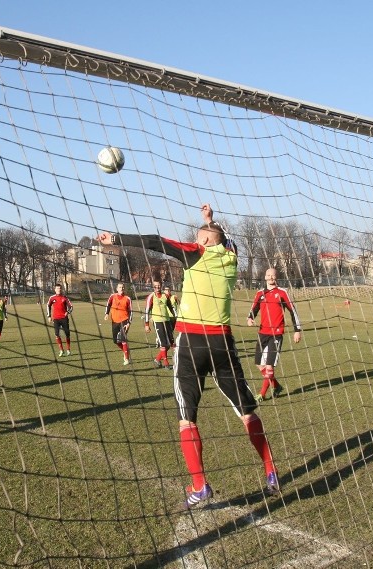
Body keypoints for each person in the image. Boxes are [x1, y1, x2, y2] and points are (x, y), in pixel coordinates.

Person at [98, 204, 280, 509]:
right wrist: (210, 222)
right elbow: (227, 239)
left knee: (186, 417)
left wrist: (114, 239)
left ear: (206, 242)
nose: (195, 238)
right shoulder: (232, 258)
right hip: (224, 342)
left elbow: (157, 241)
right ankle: (271, 471)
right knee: (247, 411)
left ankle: (199, 486)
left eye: (199, 235)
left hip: (192, 342)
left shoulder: (196, 253)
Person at [247, 267, 302, 401]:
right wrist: (250, 317)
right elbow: (254, 308)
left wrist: (297, 330)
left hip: (276, 334)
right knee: (259, 364)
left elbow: (292, 311)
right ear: (265, 277)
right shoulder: (260, 293)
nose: (271, 277)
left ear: (276, 277)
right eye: (268, 275)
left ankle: (262, 394)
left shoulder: (282, 292)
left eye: (273, 275)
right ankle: (276, 386)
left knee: (270, 365)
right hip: (262, 332)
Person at [144, 281, 176, 369]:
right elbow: (147, 311)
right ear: (153, 287)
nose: (157, 287)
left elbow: (171, 307)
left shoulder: (165, 296)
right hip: (157, 322)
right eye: (155, 286)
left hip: (167, 321)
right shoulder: (151, 297)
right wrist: (146, 324)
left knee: (170, 343)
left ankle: (157, 359)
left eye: (159, 286)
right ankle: (166, 363)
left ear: (161, 286)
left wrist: (175, 316)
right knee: (163, 343)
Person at [104, 282, 133, 365]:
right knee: (116, 341)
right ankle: (126, 351)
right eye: (120, 287)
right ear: (117, 289)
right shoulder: (112, 296)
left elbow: (131, 311)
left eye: (123, 287)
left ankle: (127, 359)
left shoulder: (128, 298)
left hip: (124, 321)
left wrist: (129, 323)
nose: (121, 289)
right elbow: (108, 305)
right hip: (114, 321)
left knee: (123, 339)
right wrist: (106, 314)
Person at [46, 284, 73, 357]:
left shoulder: (65, 297)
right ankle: (61, 350)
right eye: (57, 288)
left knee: (67, 334)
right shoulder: (52, 298)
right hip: (56, 319)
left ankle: (68, 350)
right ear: (55, 290)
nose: (59, 290)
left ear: (61, 289)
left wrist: (68, 312)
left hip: (64, 318)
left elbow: (71, 307)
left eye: (60, 288)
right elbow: (48, 306)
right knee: (57, 334)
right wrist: (49, 316)